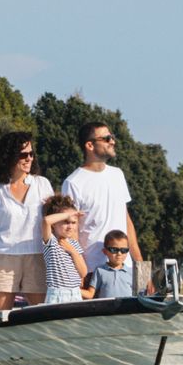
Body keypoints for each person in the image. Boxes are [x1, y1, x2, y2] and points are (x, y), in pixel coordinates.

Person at [0, 131, 51, 312]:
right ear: (8, 157)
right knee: (0, 317)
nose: (29, 159)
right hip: (4, 259)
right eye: (23, 155)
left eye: (31, 154)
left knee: (42, 317)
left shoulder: (42, 185)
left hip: (38, 256)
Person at [61, 121, 144, 271]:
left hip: (126, 269)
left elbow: (126, 221)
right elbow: (71, 231)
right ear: (90, 146)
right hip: (94, 270)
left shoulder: (117, 174)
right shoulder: (73, 183)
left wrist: (141, 266)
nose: (112, 141)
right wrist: (81, 272)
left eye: (112, 137)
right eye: (106, 138)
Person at [41, 193, 89, 303]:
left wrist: (72, 251)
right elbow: (46, 221)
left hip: (76, 293)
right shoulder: (51, 242)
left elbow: (83, 272)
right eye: (66, 222)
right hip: (57, 294)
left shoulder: (74, 244)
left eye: (73, 222)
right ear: (54, 224)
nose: (70, 226)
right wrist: (69, 214)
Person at [85, 229, 136, 298]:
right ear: (105, 251)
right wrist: (72, 290)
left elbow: (140, 296)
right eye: (114, 250)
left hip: (128, 308)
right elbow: (90, 294)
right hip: (106, 308)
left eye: (124, 250)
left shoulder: (132, 272)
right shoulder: (99, 270)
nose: (119, 253)